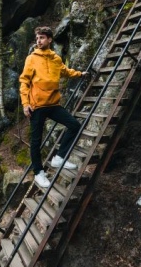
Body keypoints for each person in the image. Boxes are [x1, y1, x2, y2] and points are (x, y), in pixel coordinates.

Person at [19, 26, 89, 189]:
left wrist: (80, 74)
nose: (39, 41)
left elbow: (65, 71)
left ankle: (59, 158)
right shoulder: (31, 58)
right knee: (36, 142)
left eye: (42, 37)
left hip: (53, 104)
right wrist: (25, 104)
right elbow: (24, 81)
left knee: (74, 125)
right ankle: (38, 173)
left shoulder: (56, 58)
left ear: (49, 39)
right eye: (37, 38)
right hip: (36, 106)